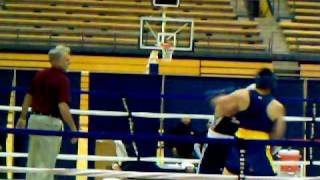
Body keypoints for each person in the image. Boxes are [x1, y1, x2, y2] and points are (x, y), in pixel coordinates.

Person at [16, 45, 78, 180]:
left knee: (33, 160)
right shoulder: (62, 79)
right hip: (50, 123)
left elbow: (28, 96)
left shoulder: (40, 74)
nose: (69, 62)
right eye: (67, 60)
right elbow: (63, 106)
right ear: (57, 61)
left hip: (34, 120)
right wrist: (73, 128)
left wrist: (22, 117)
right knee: (46, 163)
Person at [215, 68, 286, 176]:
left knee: (230, 172)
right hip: (260, 147)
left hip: (240, 142)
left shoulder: (242, 95)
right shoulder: (277, 106)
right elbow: (277, 135)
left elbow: (219, 103)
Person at [197, 84, 255, 174]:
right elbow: (214, 101)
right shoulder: (228, 103)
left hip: (232, 145)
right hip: (215, 143)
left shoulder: (250, 110)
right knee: (208, 171)